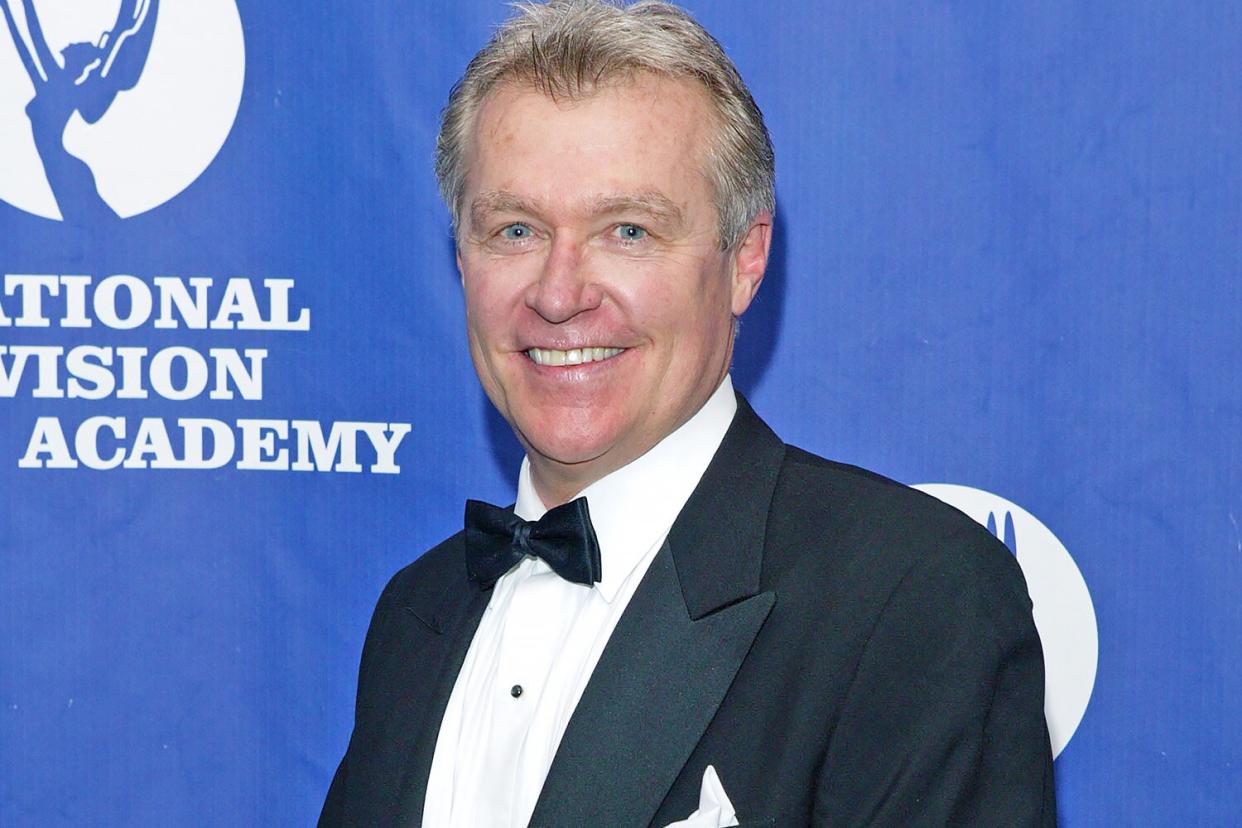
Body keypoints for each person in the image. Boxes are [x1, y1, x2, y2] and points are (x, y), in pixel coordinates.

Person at [320, 1, 1056, 825]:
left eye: (627, 231)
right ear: (462, 258)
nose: (560, 294)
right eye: (517, 229)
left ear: (745, 261)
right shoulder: (415, 615)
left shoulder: (913, 604)